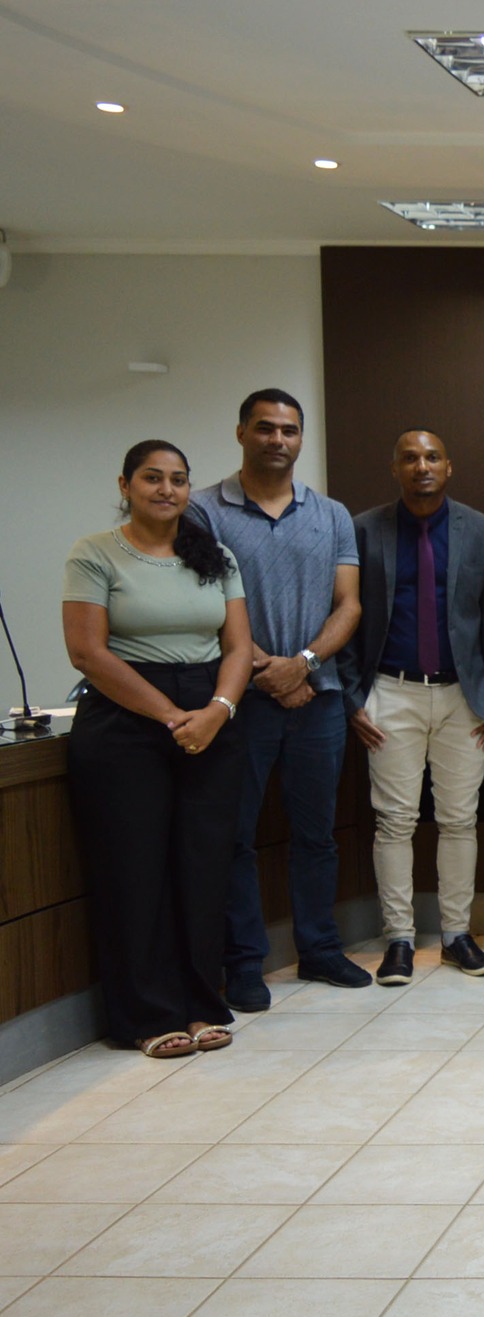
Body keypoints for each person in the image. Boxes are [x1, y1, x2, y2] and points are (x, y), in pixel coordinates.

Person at [62, 440, 253, 1056]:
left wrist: (217, 711)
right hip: (126, 720)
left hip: (211, 715)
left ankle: (201, 1005)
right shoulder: (94, 553)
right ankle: (146, 1015)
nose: (167, 489)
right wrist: (172, 717)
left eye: (178, 479)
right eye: (152, 478)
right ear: (125, 486)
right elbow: (88, 652)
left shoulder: (215, 555)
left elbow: (238, 647)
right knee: (135, 870)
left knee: (203, 868)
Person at [187, 389, 369, 1012]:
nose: (277, 440)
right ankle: (243, 964)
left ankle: (319, 949)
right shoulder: (203, 510)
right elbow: (206, 602)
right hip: (239, 701)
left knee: (317, 834)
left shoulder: (332, 514)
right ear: (241, 433)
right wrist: (265, 669)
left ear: (301, 438)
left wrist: (303, 665)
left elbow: (349, 605)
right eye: (265, 428)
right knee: (236, 836)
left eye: (289, 430)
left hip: (318, 697)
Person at [341, 429, 484, 986]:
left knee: (460, 819)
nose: (422, 466)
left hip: (465, 696)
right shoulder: (363, 530)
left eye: (432, 457)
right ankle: (399, 940)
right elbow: (344, 613)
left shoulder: (482, 532)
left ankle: (457, 936)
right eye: (410, 458)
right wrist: (353, 697)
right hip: (390, 692)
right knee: (395, 821)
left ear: (449, 466)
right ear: (394, 468)